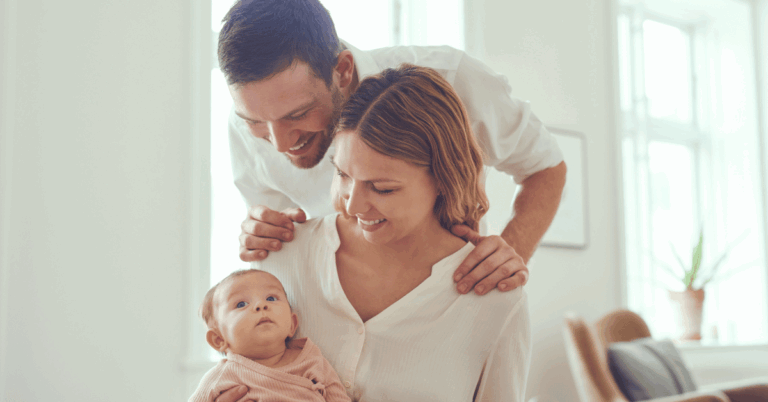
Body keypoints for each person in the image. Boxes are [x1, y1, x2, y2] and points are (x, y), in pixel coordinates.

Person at [215, 65, 531, 402]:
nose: (352, 206)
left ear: (442, 179)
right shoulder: (281, 256)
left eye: (382, 188)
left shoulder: (495, 300)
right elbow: (232, 373)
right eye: (342, 175)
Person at [219, 0, 567, 296]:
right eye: (256, 121)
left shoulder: (452, 80)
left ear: (341, 71)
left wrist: (510, 254)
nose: (280, 144)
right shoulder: (244, 130)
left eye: (298, 114)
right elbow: (284, 247)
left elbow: (545, 165)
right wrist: (261, 234)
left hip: (450, 304)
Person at [190, 269, 351, 402]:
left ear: (292, 324)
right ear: (219, 339)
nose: (261, 305)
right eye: (241, 304)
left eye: (271, 298)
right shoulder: (222, 376)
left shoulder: (311, 358)